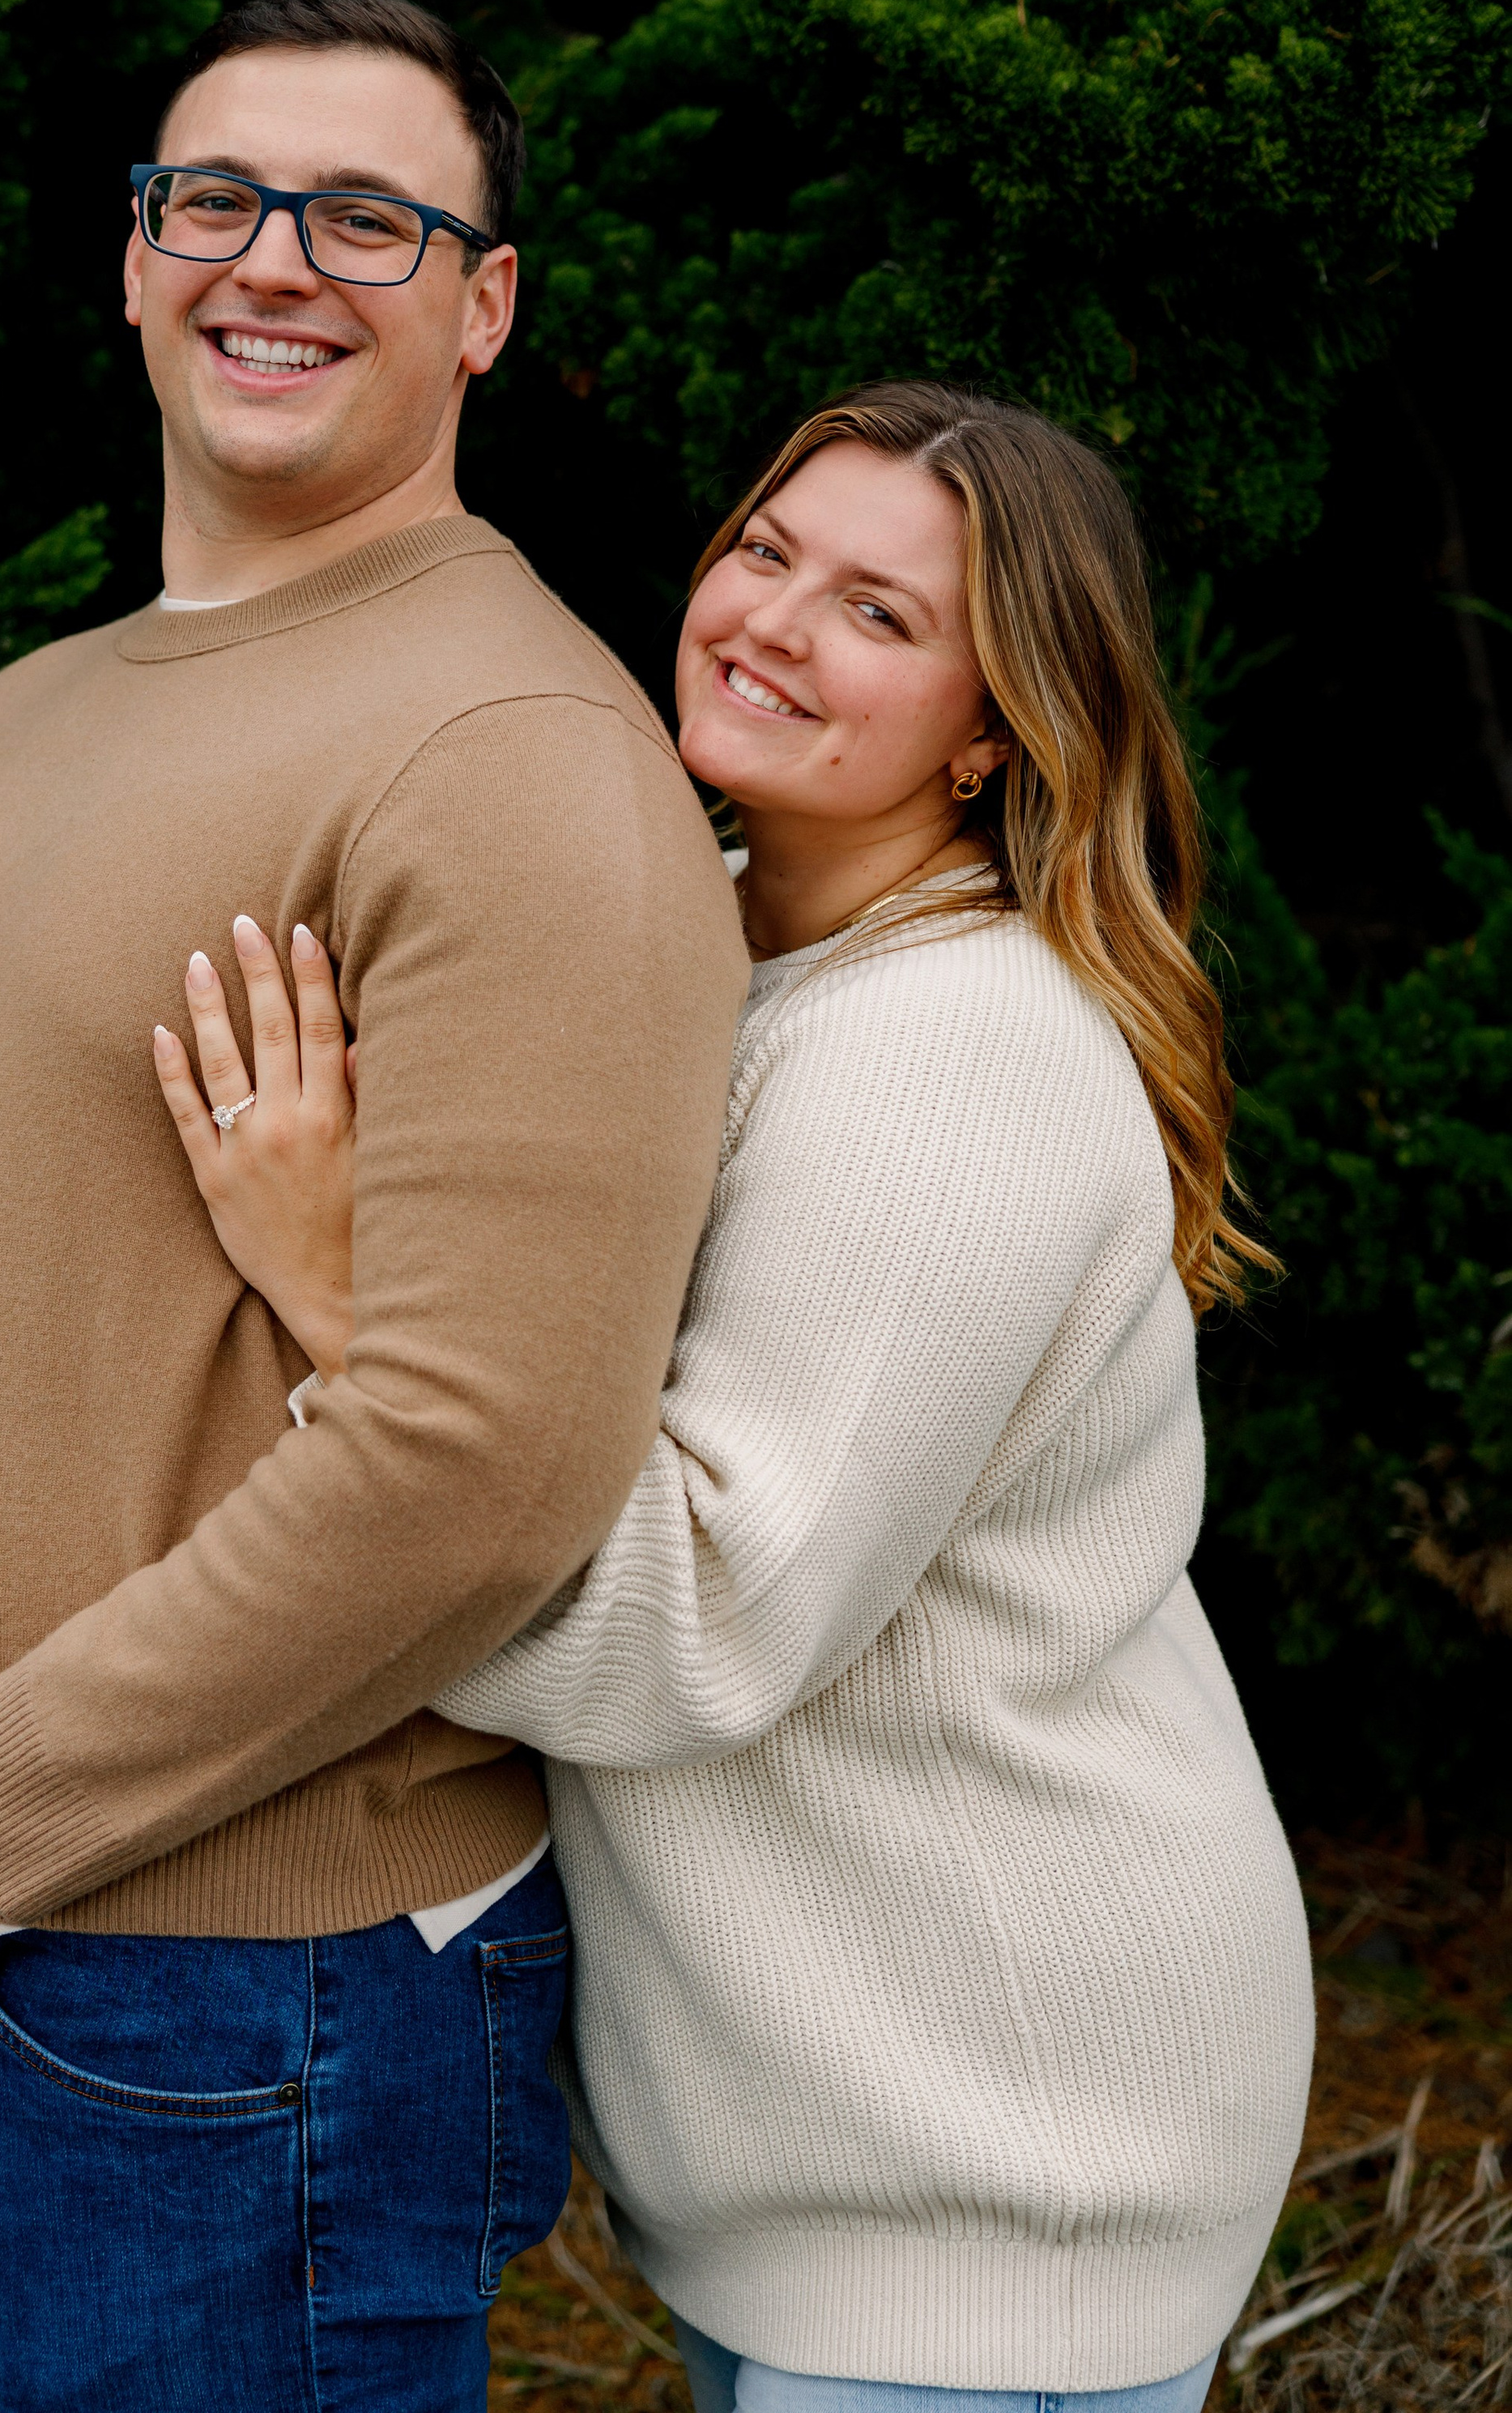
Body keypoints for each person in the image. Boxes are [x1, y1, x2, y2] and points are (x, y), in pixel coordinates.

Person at [0, 0, 751, 2411]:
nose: (276, 257)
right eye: (216, 198)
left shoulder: (521, 765)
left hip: (236, 2015)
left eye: (369, 215)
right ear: (134, 259)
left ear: (486, 307)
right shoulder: (7, 726)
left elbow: (487, 1467)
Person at [158, 377, 1317, 2413]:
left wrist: (339, 1289)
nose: (772, 620)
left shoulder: (949, 1057)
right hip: (837, 2138)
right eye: (767, 552)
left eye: (878, 611)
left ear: (992, 728)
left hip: (988, 2156)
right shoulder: (716, 947)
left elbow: (687, 1623)